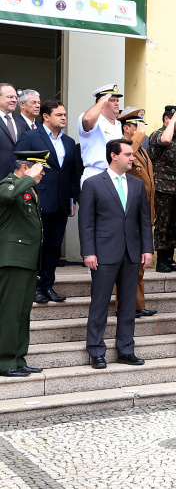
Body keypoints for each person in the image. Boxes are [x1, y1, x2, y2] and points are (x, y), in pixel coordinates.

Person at [79, 139, 153, 369]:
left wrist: (147, 248)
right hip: (103, 254)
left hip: (131, 253)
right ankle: (96, 350)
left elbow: (144, 220)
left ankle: (125, 349)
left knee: (129, 304)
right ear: (114, 156)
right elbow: (86, 223)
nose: (133, 158)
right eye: (128, 154)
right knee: (100, 303)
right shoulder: (92, 184)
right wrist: (88, 252)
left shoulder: (137, 184)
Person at [15, 100, 79, 304]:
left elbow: (72, 173)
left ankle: (48, 285)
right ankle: (34, 287)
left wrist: (72, 199)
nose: (63, 118)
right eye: (59, 114)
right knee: (38, 245)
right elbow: (19, 167)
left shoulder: (69, 142)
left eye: (65, 114)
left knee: (54, 245)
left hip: (61, 201)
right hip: (38, 199)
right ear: (46, 117)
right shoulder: (31, 137)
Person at [0, 151, 47, 377]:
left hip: (28, 260)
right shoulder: (8, 184)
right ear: (25, 168)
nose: (43, 173)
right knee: (9, 312)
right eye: (40, 168)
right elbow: (8, 197)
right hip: (12, 260)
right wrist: (28, 178)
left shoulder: (29, 190)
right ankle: (5, 361)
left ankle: (19, 358)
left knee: (23, 312)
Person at [118, 108, 157, 319]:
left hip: (144, 214)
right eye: (137, 126)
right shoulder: (122, 147)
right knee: (129, 263)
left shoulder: (140, 149)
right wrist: (138, 138)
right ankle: (126, 305)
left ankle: (137, 303)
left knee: (140, 263)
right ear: (127, 127)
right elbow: (124, 163)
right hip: (129, 215)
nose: (141, 130)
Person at [149, 106, 176, 274]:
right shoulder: (158, 134)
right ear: (166, 119)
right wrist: (171, 123)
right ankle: (161, 260)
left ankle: (170, 258)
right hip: (163, 187)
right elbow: (165, 141)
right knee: (162, 225)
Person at [78, 84, 123, 185]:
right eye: (112, 100)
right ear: (102, 102)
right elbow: (87, 120)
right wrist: (102, 100)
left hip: (115, 174)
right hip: (96, 173)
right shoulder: (95, 120)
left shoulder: (118, 124)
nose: (116, 103)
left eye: (117, 101)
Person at [0, 83, 29, 175]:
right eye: (10, 97)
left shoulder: (22, 124)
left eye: (15, 97)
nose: (14, 100)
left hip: (19, 182)